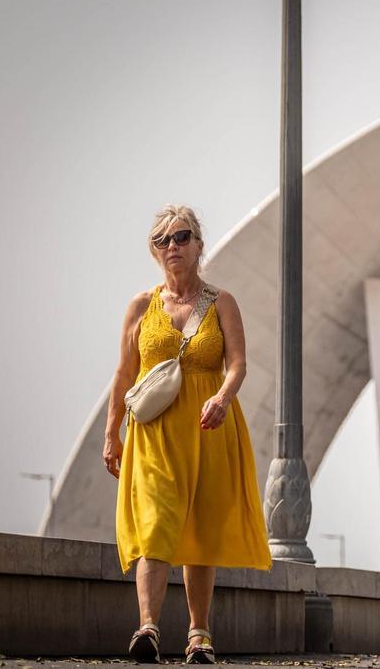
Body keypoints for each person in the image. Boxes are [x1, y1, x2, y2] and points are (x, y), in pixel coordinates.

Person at [104, 205, 271, 664]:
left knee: (200, 530)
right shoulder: (142, 306)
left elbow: (237, 363)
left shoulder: (221, 303)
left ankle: (199, 635)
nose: (172, 247)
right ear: (154, 252)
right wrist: (110, 433)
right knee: (155, 525)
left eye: (181, 237)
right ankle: (148, 629)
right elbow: (123, 374)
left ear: (199, 244)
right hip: (154, 432)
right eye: (162, 240)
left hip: (208, 426)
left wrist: (222, 397)